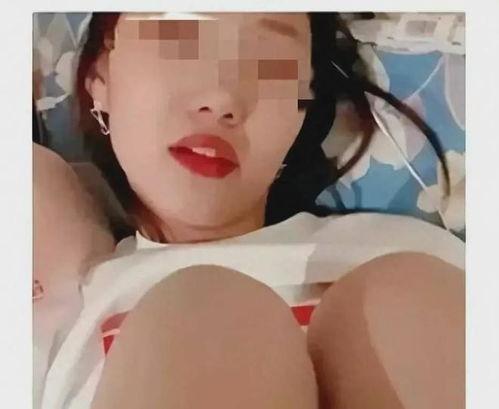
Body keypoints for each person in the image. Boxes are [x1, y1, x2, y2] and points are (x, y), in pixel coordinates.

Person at [34, 12, 465, 409]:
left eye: (270, 61)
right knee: (205, 312)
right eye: (180, 38)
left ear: (302, 110)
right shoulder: (56, 312)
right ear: (99, 77)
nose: (222, 98)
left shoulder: (415, 257)